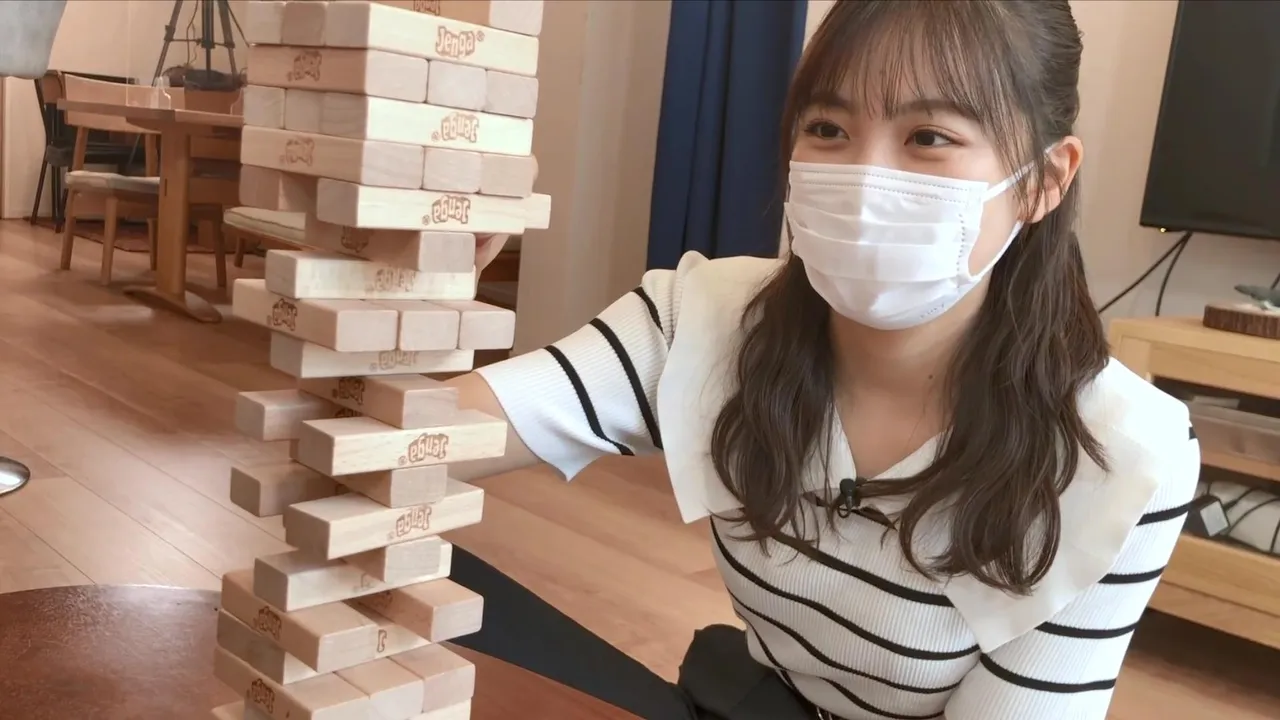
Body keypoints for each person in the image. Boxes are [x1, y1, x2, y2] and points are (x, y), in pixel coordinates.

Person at [446, 1, 1201, 718]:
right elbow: (414, 446)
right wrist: (421, 267)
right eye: (828, 127)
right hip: (751, 703)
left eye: (928, 137)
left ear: (1044, 180)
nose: (866, 178)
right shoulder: (705, 318)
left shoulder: (1124, 461)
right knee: (411, 598)